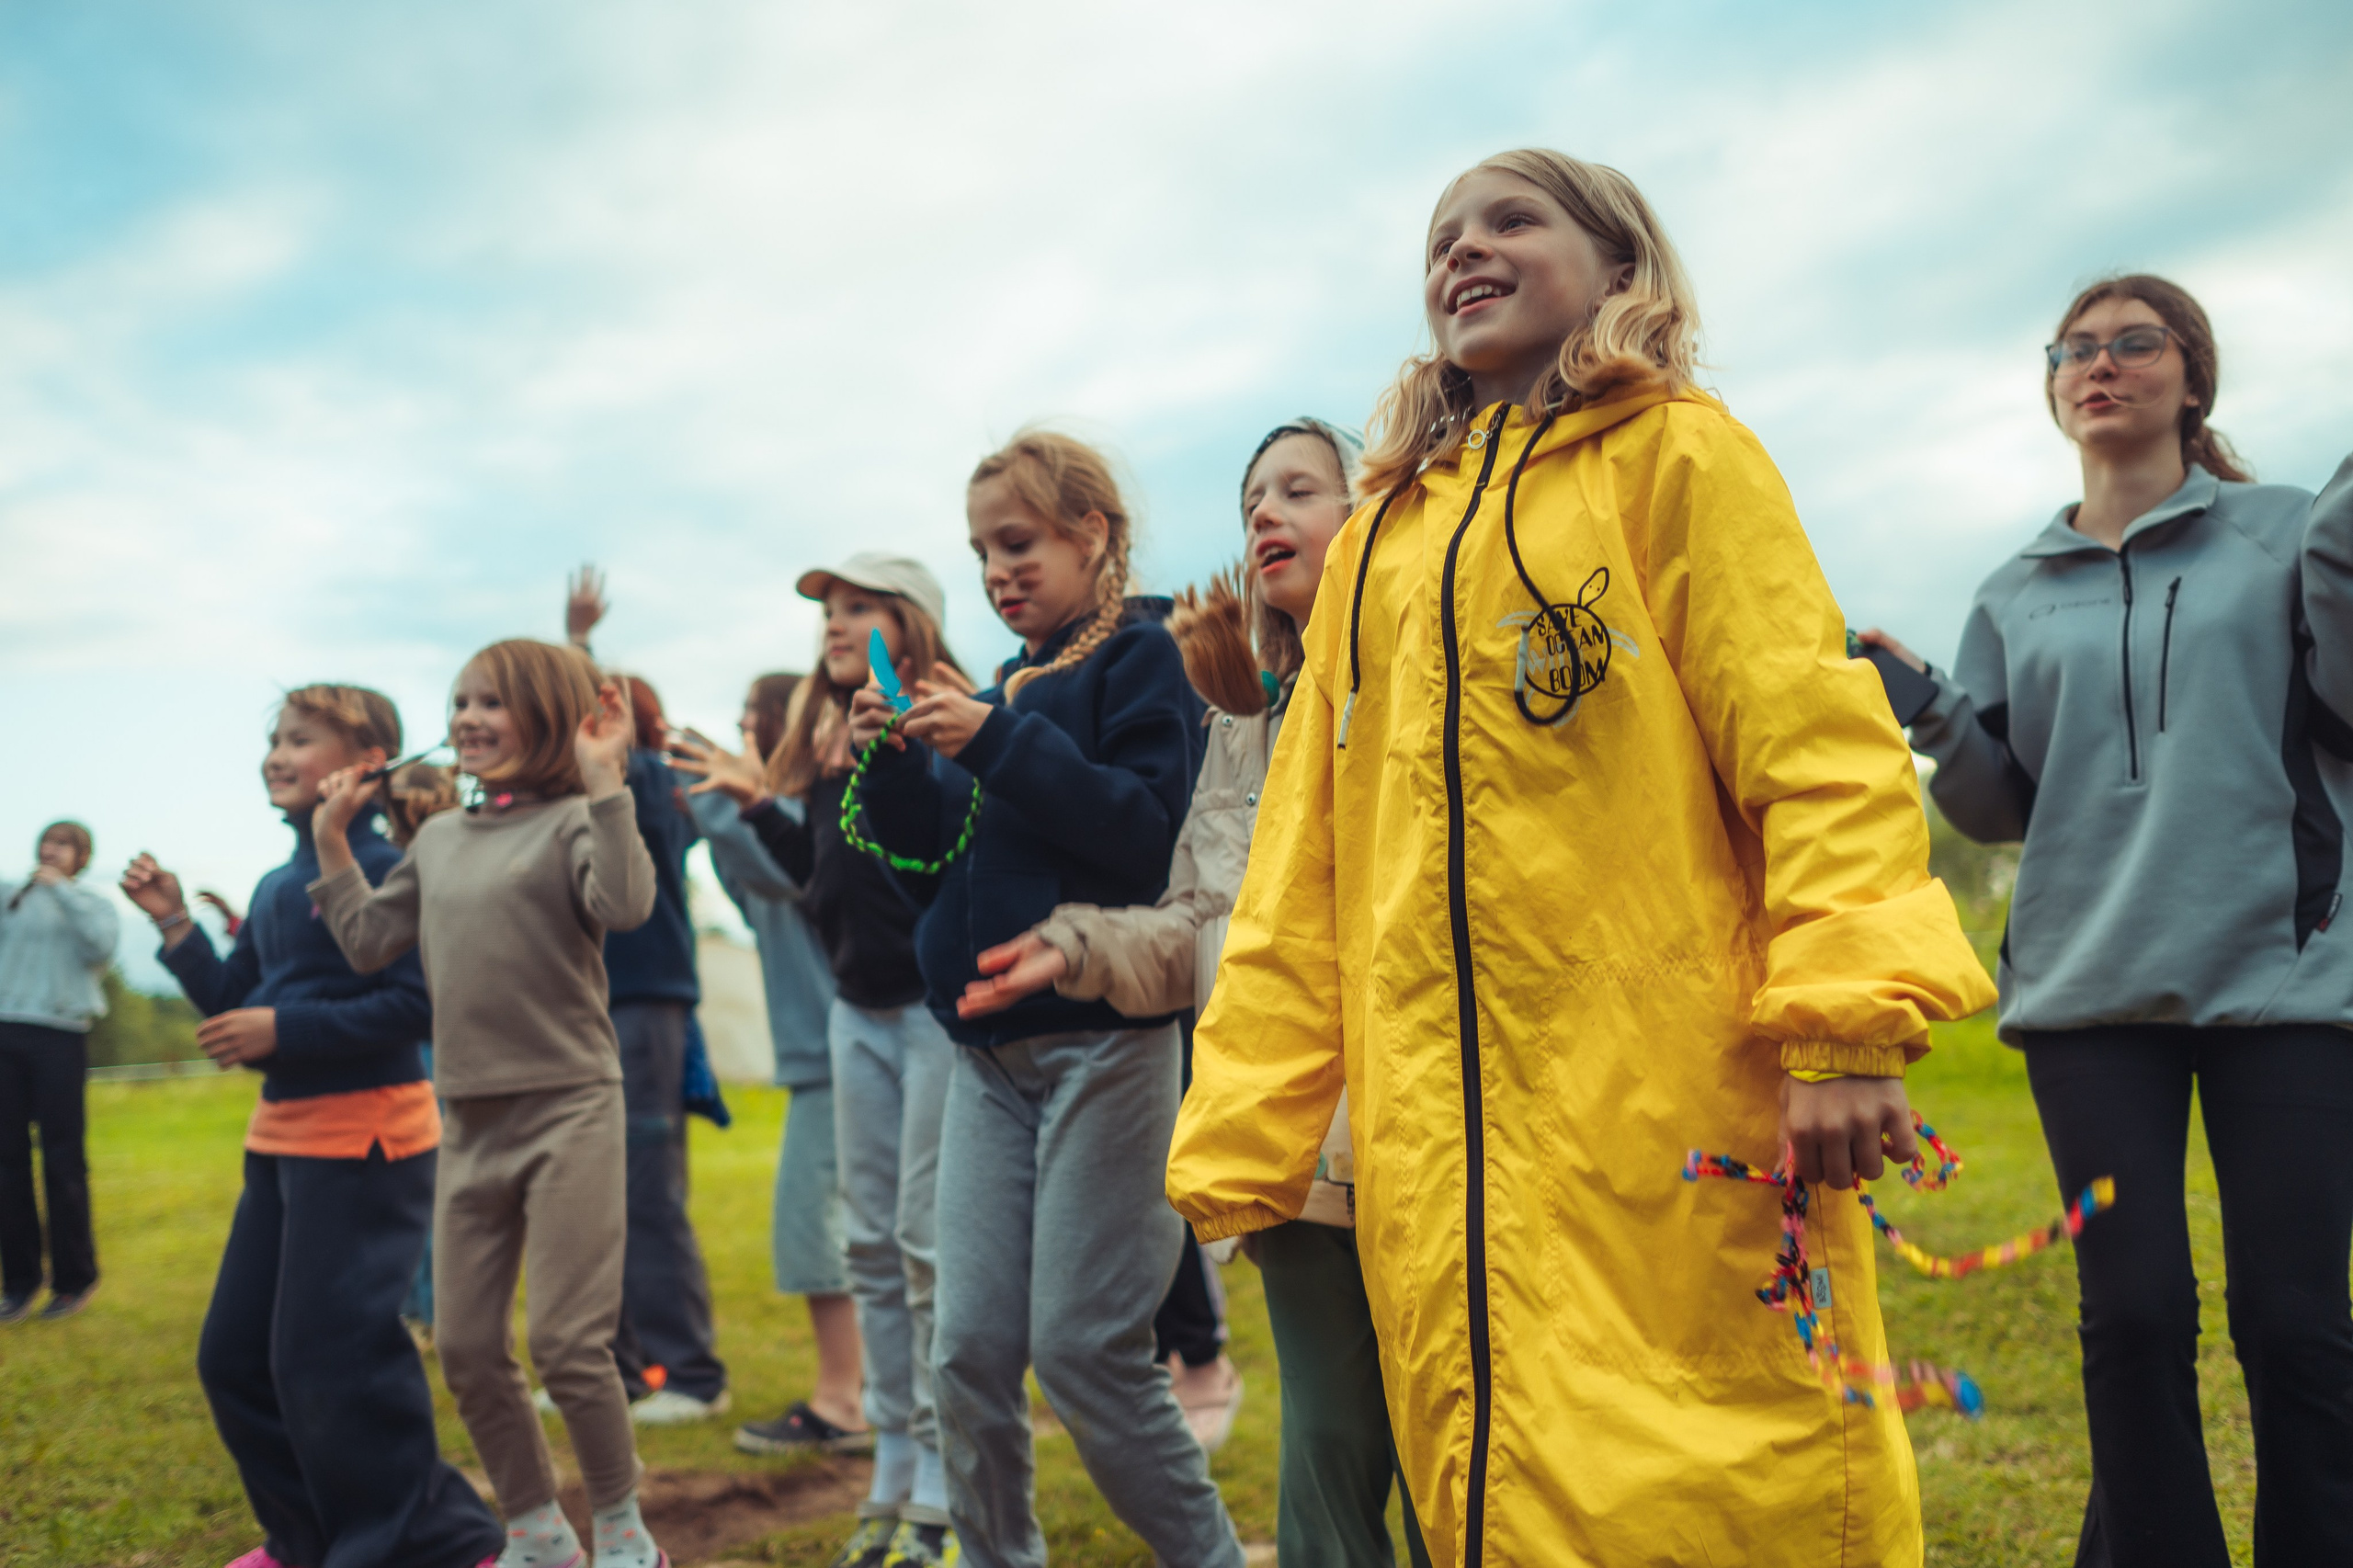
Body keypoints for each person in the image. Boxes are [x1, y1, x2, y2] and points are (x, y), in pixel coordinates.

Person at [1163, 150, 1996, 1567]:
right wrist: (1249, 1117)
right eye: (1442, 237)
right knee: (1484, 1467)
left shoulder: (1683, 458)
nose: (1464, 251)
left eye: (1510, 219)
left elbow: (1818, 746)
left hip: (1674, 1104)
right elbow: (1305, 864)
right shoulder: (1376, 547)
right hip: (1436, 1145)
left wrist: (1851, 1019)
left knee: (1729, 1466)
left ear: (1619, 265)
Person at [1865, 274, 2353, 1565]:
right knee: (2132, 1319)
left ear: (2193, 380)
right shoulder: (2013, 587)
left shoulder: (2289, 532)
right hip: (2089, 999)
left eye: (2134, 343)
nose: (2101, 365)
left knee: (2295, 1323)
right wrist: (1931, 712)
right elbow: (2002, 808)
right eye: (2075, 349)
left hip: (2285, 985)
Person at [963, 419, 1432, 1566]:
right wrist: (1077, 945)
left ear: (1373, 512)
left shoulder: (1429, 686)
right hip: (1298, 1142)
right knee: (1325, 1443)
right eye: (1251, 500)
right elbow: (1199, 926)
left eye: (1300, 490)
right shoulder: (1239, 729)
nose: (1266, 513)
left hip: (1431, 1132)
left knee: (1448, 1445)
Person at [850, 435, 1245, 1568]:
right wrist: (887, 763)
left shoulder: (1143, 655)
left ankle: (1210, 1557)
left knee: (1083, 1350)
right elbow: (926, 860)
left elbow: (1141, 831)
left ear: (1094, 534)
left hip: (1106, 1047)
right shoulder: (997, 688)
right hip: (987, 1060)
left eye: (1018, 543)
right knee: (967, 1348)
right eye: (981, 551)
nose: (996, 572)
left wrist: (998, 739)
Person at [121, 686, 502, 1568]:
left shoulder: (388, 867)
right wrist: (176, 925)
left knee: (335, 1363)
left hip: (370, 1142)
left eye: (301, 740)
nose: (278, 755)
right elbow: (233, 1003)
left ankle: (440, 1543)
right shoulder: (275, 885)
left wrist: (283, 1030)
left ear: (368, 763)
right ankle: (304, 1540)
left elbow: (413, 1004)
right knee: (238, 1360)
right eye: (276, 740)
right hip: (283, 1141)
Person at [308, 639, 666, 1568]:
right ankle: (538, 1529)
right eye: (461, 700)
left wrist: (607, 783)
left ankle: (625, 1529)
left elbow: (626, 906)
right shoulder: (436, 839)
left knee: (566, 1341)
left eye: (493, 702)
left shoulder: (574, 821)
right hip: (467, 1119)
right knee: (466, 1345)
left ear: (548, 716)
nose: (468, 717)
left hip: (571, 1108)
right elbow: (365, 941)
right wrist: (333, 842)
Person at [674, 556, 968, 1568]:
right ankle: (890, 1460)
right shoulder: (832, 732)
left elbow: (938, 857)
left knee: (926, 1247)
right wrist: (761, 804)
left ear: (908, 622)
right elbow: (819, 873)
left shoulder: (940, 711)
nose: (833, 625)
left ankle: (942, 1475)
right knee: (872, 1251)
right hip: (857, 1015)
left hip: (932, 1014)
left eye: (855, 608)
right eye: (827, 612)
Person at [678, 673, 869, 1465]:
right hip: (822, 1053)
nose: (736, 737)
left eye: (749, 723)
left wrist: (724, 791)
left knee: (814, 1229)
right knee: (839, 1230)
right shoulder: (790, 815)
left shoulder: (808, 819)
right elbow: (741, 875)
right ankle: (867, 1393)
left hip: (839, 1052)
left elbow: (772, 862)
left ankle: (844, 1402)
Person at [563, 571, 731, 1423]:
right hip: (600, 1006)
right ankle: (624, 1370)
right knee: (598, 1194)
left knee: (647, 1190)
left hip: (647, 1007)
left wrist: (580, 643)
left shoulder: (658, 786)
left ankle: (692, 1373)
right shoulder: (608, 790)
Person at [0, 820, 117, 1324]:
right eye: (48, 842)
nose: (52, 850)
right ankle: (20, 1283)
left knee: (63, 1159)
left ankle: (74, 1281)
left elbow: (101, 948)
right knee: (6, 1161)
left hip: (62, 1034)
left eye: (64, 844)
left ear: (80, 856)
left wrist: (63, 893)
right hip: (6, 1029)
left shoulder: (92, 905)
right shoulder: (10, 896)